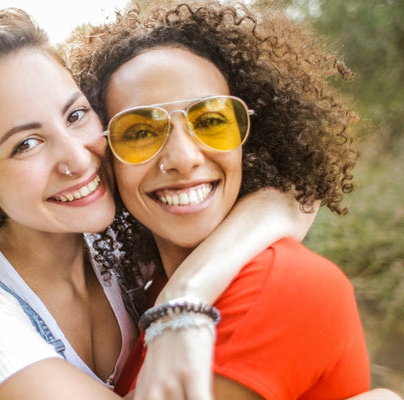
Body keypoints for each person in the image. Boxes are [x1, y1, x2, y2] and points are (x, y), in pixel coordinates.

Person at [0, 7, 322, 400]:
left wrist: (185, 293)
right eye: (26, 144)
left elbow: (298, 199)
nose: (79, 158)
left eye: (75, 116)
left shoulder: (128, 257)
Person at [67, 0, 403, 398]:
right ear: (107, 158)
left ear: (250, 141)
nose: (183, 158)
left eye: (210, 121)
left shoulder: (278, 286)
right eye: (140, 132)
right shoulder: (147, 286)